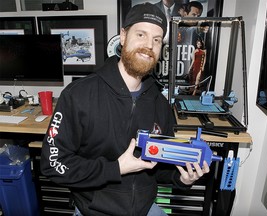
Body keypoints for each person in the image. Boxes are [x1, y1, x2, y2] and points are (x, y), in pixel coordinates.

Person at [40, 3, 209, 216]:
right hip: (95, 210)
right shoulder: (78, 95)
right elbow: (52, 164)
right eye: (141, 34)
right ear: (123, 35)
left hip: (144, 209)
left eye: (156, 40)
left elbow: (157, 168)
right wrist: (116, 168)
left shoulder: (161, 105)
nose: (149, 45)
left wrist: (182, 178)